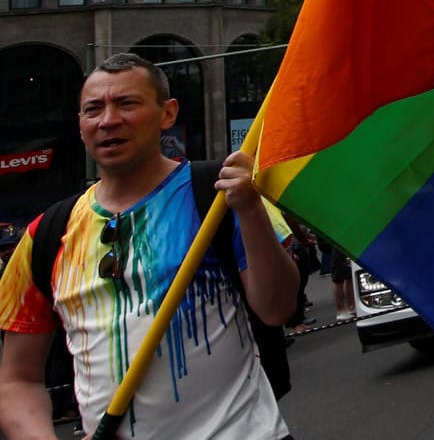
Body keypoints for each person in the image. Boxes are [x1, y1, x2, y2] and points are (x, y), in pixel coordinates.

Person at [0, 53, 298, 440]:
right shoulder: (44, 236)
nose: (108, 120)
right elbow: (17, 380)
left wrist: (252, 211)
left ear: (167, 114)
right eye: (94, 109)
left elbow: (277, 308)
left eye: (127, 103)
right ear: (80, 125)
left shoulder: (222, 194)